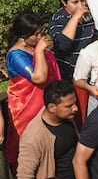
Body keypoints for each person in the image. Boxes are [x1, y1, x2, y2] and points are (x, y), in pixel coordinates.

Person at [17, 80, 80, 179]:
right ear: (52, 107)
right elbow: (25, 177)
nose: (76, 108)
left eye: (75, 103)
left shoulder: (67, 119)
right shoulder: (34, 137)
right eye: (69, 106)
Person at [5, 11, 61, 169]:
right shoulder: (16, 55)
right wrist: (39, 52)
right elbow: (39, 78)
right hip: (28, 112)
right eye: (36, 35)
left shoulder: (35, 47)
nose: (40, 38)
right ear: (23, 36)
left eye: (41, 33)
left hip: (48, 105)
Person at [49, 0, 96, 83]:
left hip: (91, 73)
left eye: (82, 0)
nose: (80, 5)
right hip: (69, 75)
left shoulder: (91, 14)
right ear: (64, 2)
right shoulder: (59, 19)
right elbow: (62, 45)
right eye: (75, 2)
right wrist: (75, 18)